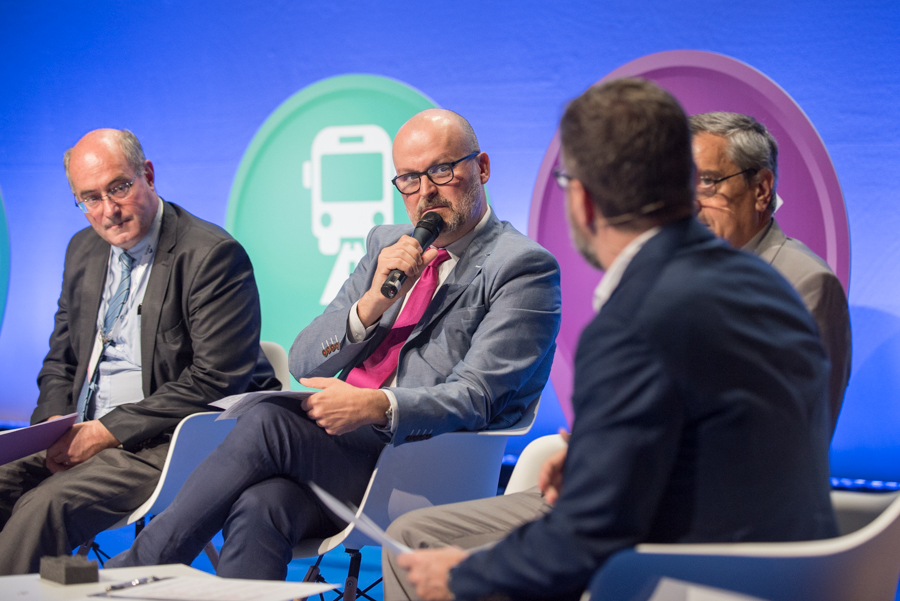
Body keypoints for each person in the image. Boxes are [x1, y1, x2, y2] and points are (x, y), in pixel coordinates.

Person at [386, 79, 838, 601]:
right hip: (794, 576)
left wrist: (462, 577)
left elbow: (586, 539)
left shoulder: (634, 320)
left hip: (695, 577)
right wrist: (596, 458)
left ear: (583, 197)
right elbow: (723, 444)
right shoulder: (769, 283)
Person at [106, 108, 562, 579]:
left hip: (424, 465)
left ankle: (139, 567)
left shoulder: (523, 267)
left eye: (441, 171)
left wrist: (376, 406)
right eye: (408, 178)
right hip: (342, 454)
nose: (425, 192)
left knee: (268, 422)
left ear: (481, 168)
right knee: (263, 503)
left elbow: (478, 398)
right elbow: (305, 360)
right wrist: (369, 305)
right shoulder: (388, 244)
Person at [0, 129, 278, 575]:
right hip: (83, 433)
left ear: (147, 175)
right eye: (90, 198)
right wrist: (52, 423)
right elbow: (61, 358)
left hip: (167, 442)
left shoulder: (211, 255)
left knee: (43, 507)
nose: (108, 211)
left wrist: (107, 431)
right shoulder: (82, 250)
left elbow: (217, 379)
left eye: (119, 188)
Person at [691, 112, 851, 434]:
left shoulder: (805, 284)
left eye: (708, 181)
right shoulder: (680, 275)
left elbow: (795, 434)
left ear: (762, 189)